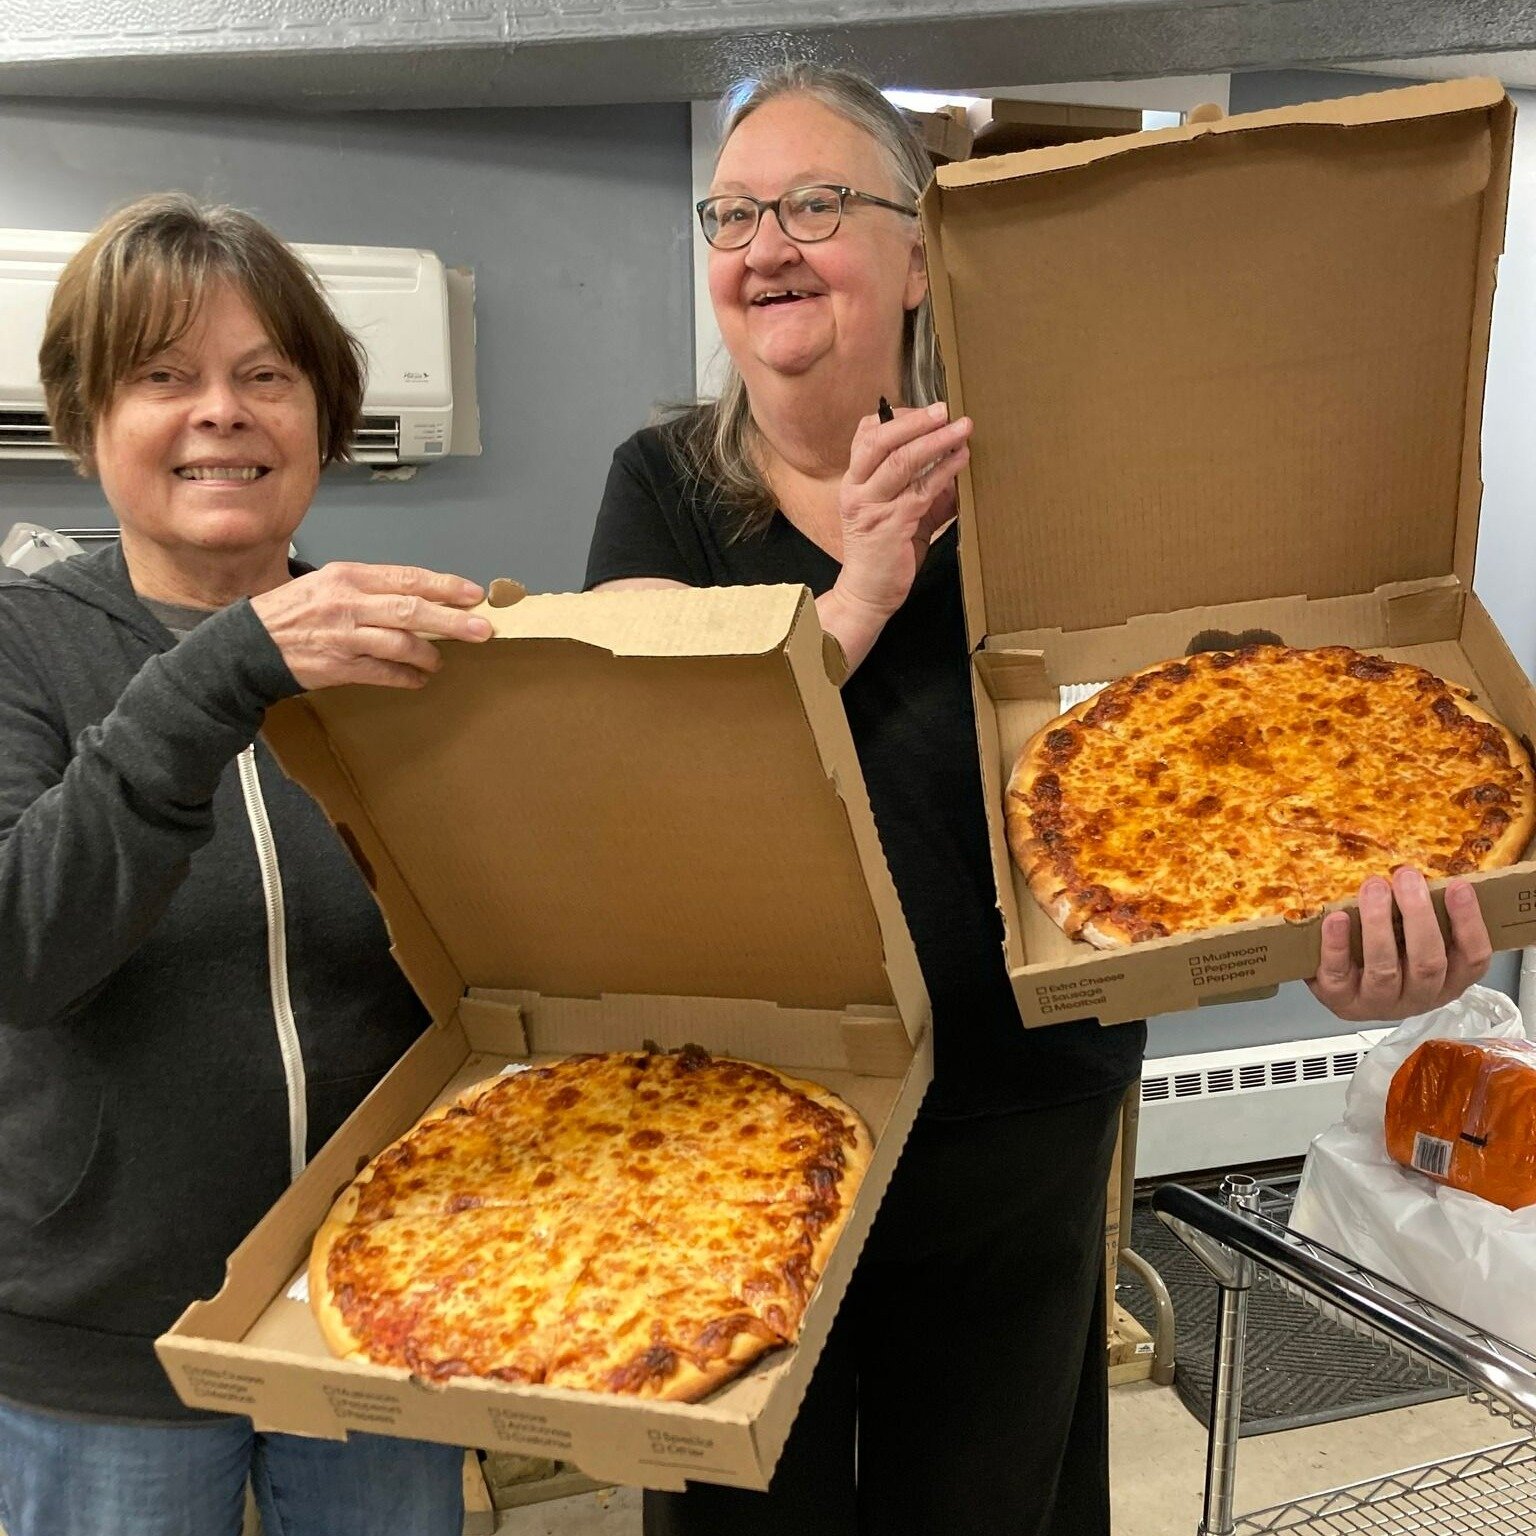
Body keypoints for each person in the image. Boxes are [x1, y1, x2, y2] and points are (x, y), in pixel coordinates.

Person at [586, 65, 1495, 1535]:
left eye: (817, 205)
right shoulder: (659, 487)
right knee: (746, 1505)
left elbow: (1210, 772)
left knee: (990, 1499)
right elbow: (648, 760)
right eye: (734, 211)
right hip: (741, 1097)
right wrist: (867, 581)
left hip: (1015, 1109)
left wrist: (1342, 935)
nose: (765, 244)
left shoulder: (1039, 475)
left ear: (920, 255)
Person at [0, 193, 494, 1536]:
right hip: (100, 1356)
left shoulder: (403, 660)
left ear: (323, 418)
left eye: (265, 376)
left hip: (380, 1315)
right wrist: (227, 671)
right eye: (163, 377)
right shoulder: (19, 647)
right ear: (86, 420)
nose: (221, 411)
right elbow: (18, 951)